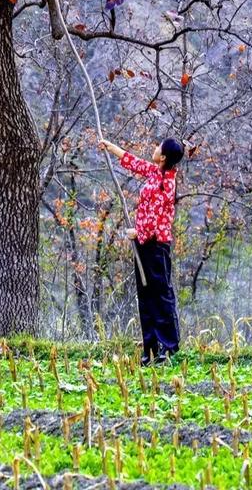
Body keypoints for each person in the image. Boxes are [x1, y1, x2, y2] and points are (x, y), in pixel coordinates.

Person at [101, 136, 184, 366]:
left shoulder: (167, 183)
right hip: (144, 244)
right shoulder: (156, 173)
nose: (154, 148)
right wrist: (111, 146)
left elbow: (158, 219)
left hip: (156, 246)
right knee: (146, 296)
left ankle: (168, 347)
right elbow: (133, 162)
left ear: (164, 157)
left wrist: (138, 233)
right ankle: (150, 349)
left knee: (160, 295)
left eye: (159, 147)